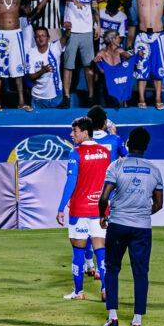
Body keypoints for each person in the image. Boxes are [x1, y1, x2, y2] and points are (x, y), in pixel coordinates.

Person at [98, 128, 164, 326]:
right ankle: (137, 321)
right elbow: (159, 203)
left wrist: (103, 215)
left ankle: (113, 318)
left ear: (127, 144)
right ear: (146, 146)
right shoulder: (154, 170)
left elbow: (104, 197)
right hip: (142, 227)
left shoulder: (117, 165)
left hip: (118, 224)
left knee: (112, 268)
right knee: (141, 272)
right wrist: (142, 213)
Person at [57, 116, 113, 301]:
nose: (71, 134)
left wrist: (60, 207)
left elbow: (71, 181)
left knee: (78, 250)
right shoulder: (105, 152)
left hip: (80, 209)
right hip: (99, 209)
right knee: (101, 250)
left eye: (75, 131)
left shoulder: (76, 153)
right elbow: (108, 182)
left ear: (85, 132)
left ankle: (79, 292)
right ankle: (106, 290)